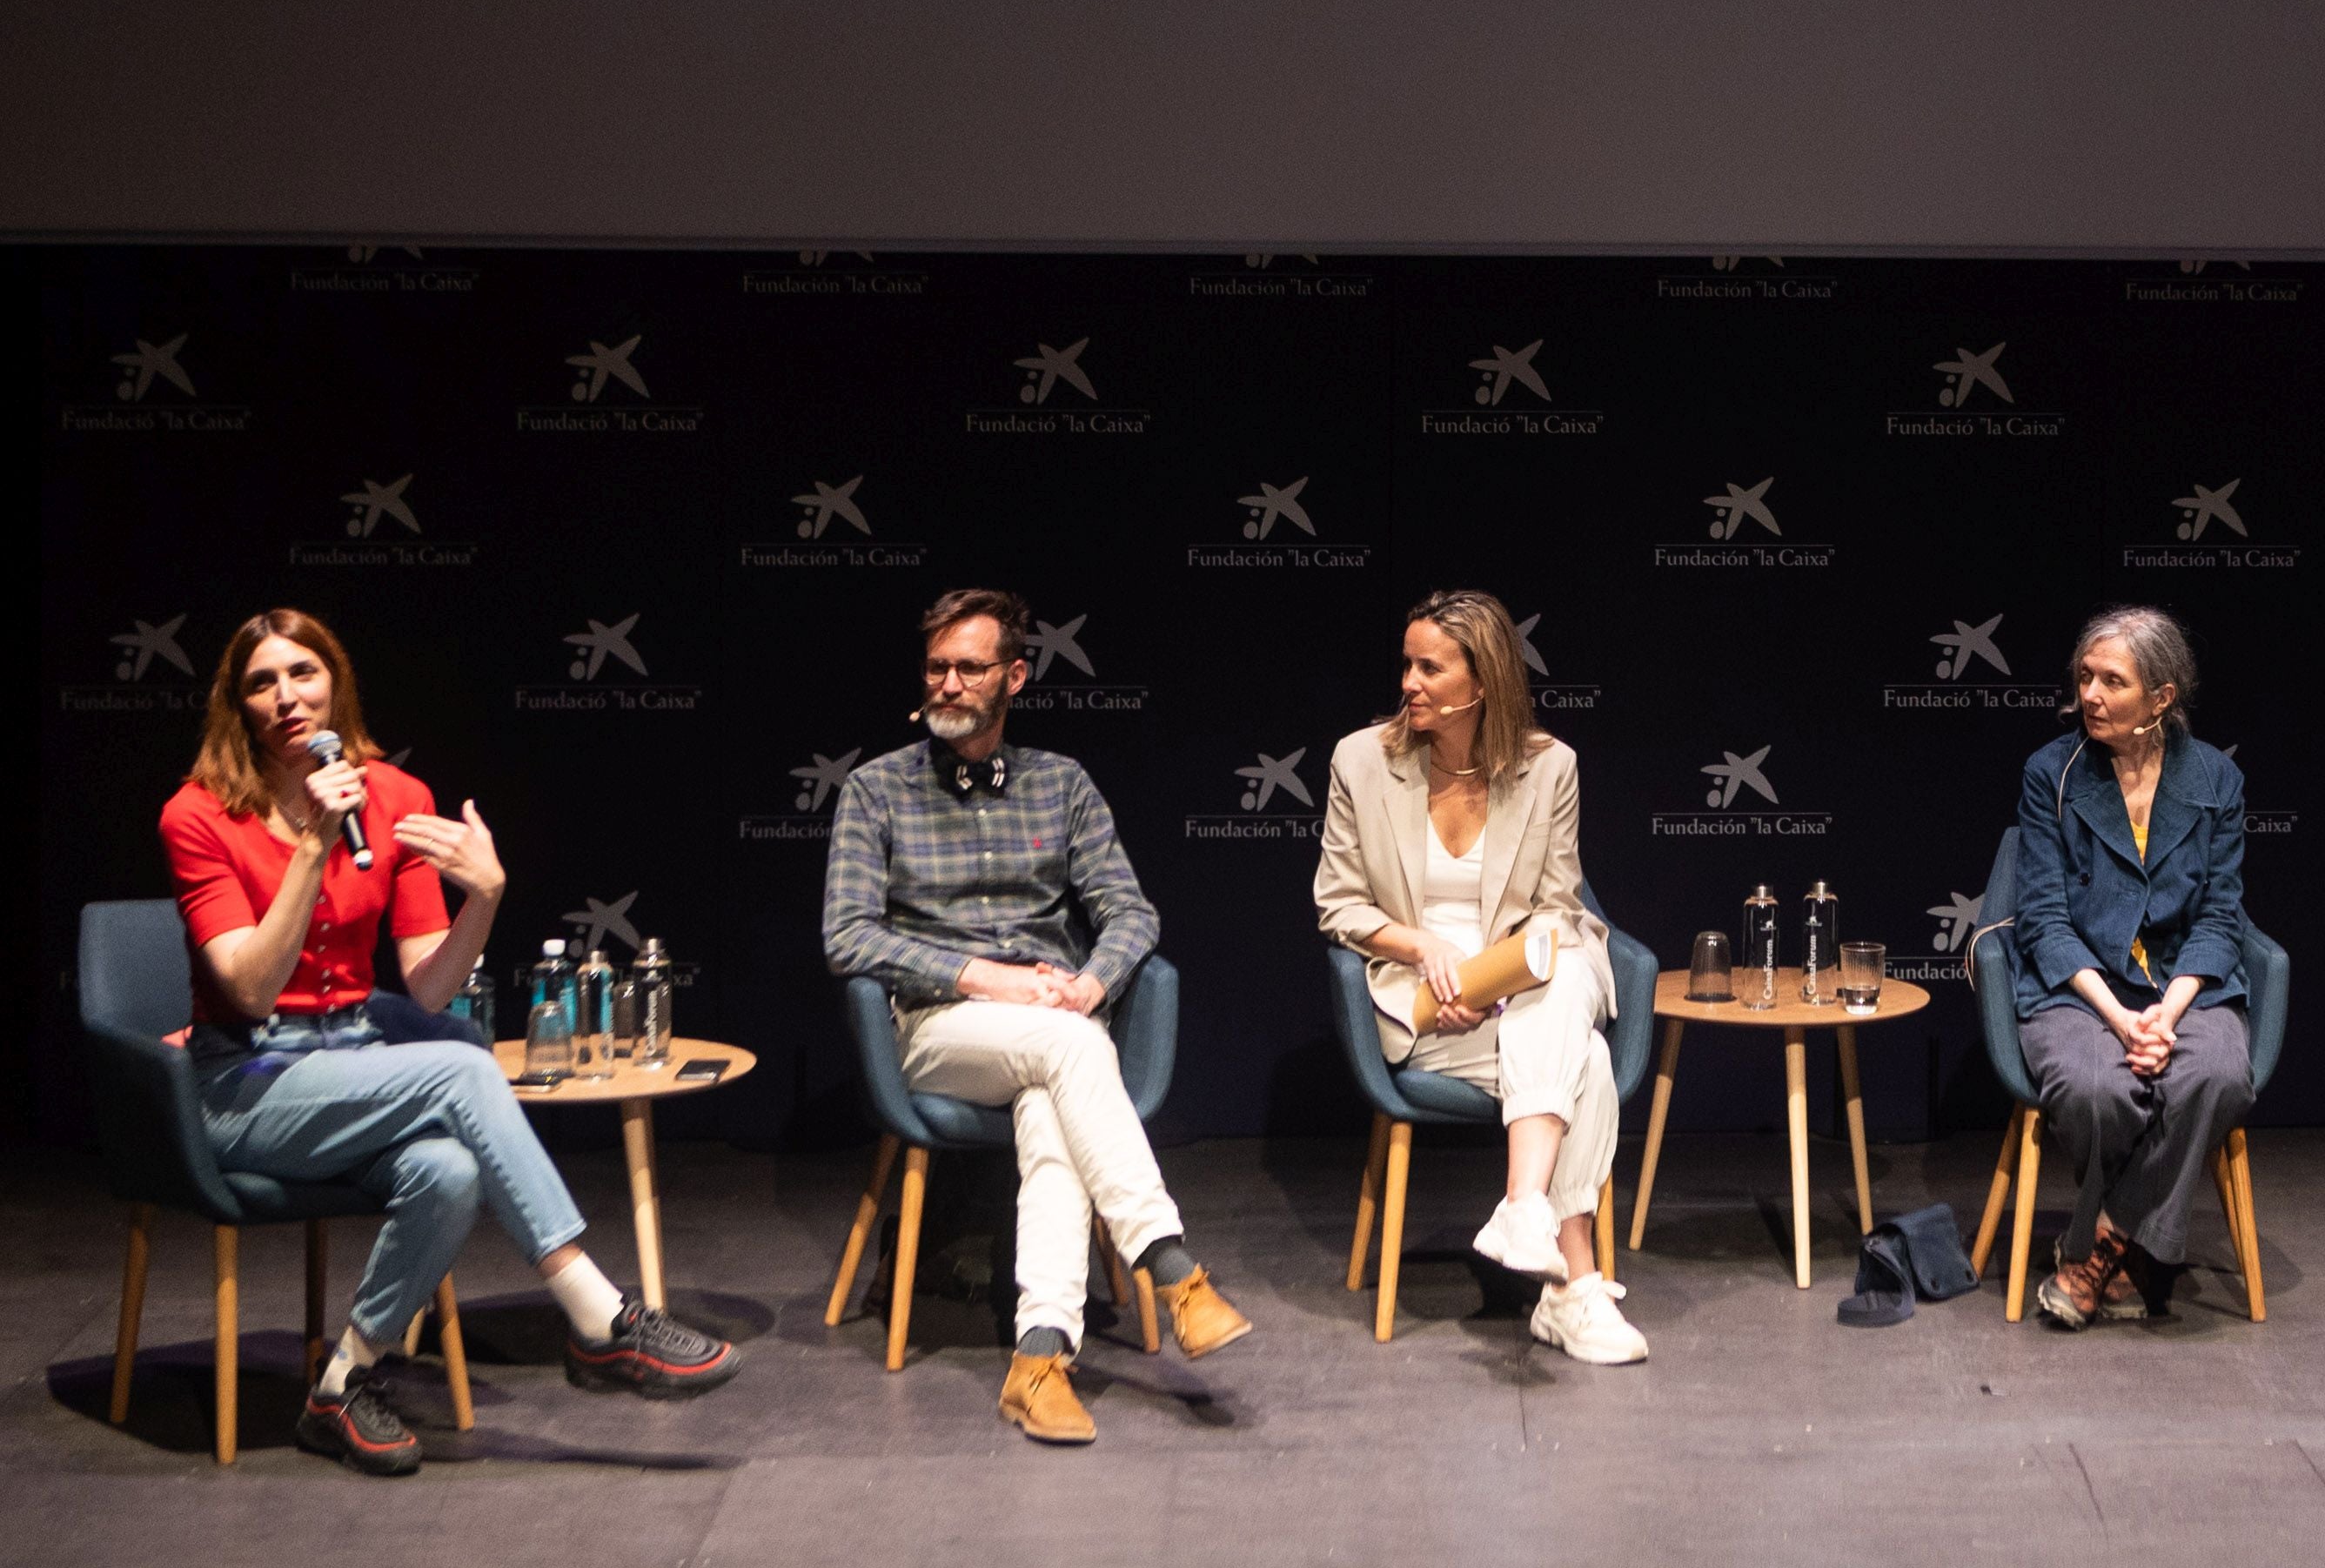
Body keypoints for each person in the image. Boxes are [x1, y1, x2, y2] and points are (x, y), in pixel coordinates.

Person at [157, 609, 737, 1476]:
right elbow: (245, 985)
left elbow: (428, 985)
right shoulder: (198, 814)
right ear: (235, 704)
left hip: (351, 1059)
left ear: (336, 682)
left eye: (304, 673)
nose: (287, 696)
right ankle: (597, 1313)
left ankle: (340, 1388)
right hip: (244, 1080)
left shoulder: (394, 797)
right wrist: (315, 843)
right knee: (463, 1064)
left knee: (450, 1170)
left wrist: (487, 896)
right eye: (261, 681)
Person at [822, 587, 1250, 1444]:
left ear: (1014, 675)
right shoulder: (877, 789)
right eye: (936, 666)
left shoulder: (1062, 784)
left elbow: (1131, 912)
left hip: (1053, 1024)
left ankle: (1040, 1355)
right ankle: (1171, 1264)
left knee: (1053, 1102)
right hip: (938, 1027)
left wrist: (1091, 982)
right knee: (1068, 1048)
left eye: (968, 667)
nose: (947, 682)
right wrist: (982, 975)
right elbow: (847, 935)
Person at [1312, 589, 1645, 1364]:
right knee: (1586, 1061)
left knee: (1559, 977)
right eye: (1407, 664)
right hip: (1424, 1001)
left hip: (1525, 982)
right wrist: (1421, 947)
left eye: (1431, 667)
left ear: (1483, 681)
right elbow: (1337, 905)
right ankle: (1572, 1291)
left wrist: (1494, 982)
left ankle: (1527, 1208)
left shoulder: (1549, 767)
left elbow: (1558, 906)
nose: (1410, 682)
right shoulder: (1361, 760)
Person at [2002, 606, 2255, 1328]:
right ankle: (2145, 1248)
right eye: (2085, 677)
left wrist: (2167, 1016)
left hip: (2184, 986)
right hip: (2082, 989)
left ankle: (2098, 1247)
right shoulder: (2050, 773)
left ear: (2162, 699)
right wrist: (2119, 1018)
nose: (2091, 695)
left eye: (2113, 681)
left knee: (2215, 1073)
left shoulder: (2218, 780)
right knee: (2094, 1088)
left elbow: (2219, 918)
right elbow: (2045, 921)